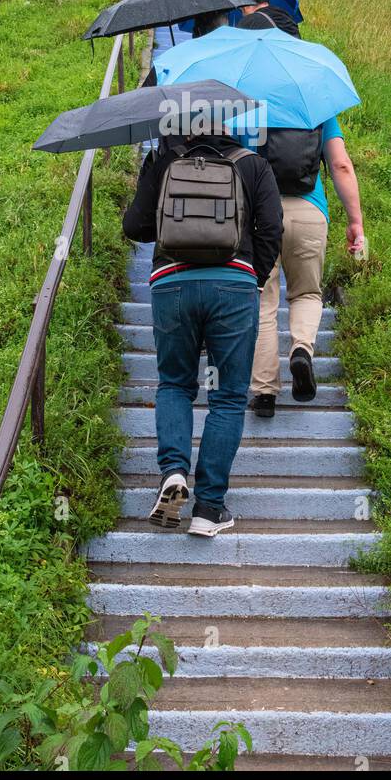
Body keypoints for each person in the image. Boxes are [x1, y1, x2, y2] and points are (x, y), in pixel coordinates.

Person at [123, 128, 283, 536]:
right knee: (228, 395)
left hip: (171, 283)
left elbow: (135, 227)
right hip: (233, 284)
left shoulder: (164, 160)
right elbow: (271, 230)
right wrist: (253, 278)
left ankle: (174, 471)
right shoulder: (254, 164)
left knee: (175, 384)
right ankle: (209, 508)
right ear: (231, 122)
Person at [248, 118, 365, 419]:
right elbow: (340, 165)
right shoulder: (317, 108)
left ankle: (264, 392)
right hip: (310, 214)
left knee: (263, 300)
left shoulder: (246, 103)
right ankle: (301, 351)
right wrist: (355, 222)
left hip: (260, 213)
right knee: (307, 294)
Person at [236, 0, 301, 38]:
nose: (243, 15)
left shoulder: (251, 20)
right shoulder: (285, 15)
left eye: (241, 10)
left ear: (247, 5)